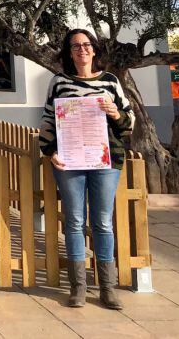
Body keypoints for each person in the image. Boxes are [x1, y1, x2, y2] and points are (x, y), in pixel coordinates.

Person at [39, 29, 135, 310]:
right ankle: (78, 287)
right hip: (70, 160)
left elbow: (128, 123)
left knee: (103, 222)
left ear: (94, 50)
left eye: (86, 45)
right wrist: (49, 151)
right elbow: (47, 119)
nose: (82, 50)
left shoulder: (111, 81)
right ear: (69, 52)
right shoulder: (59, 82)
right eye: (75, 46)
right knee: (74, 222)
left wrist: (114, 112)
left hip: (105, 161)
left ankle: (107, 288)